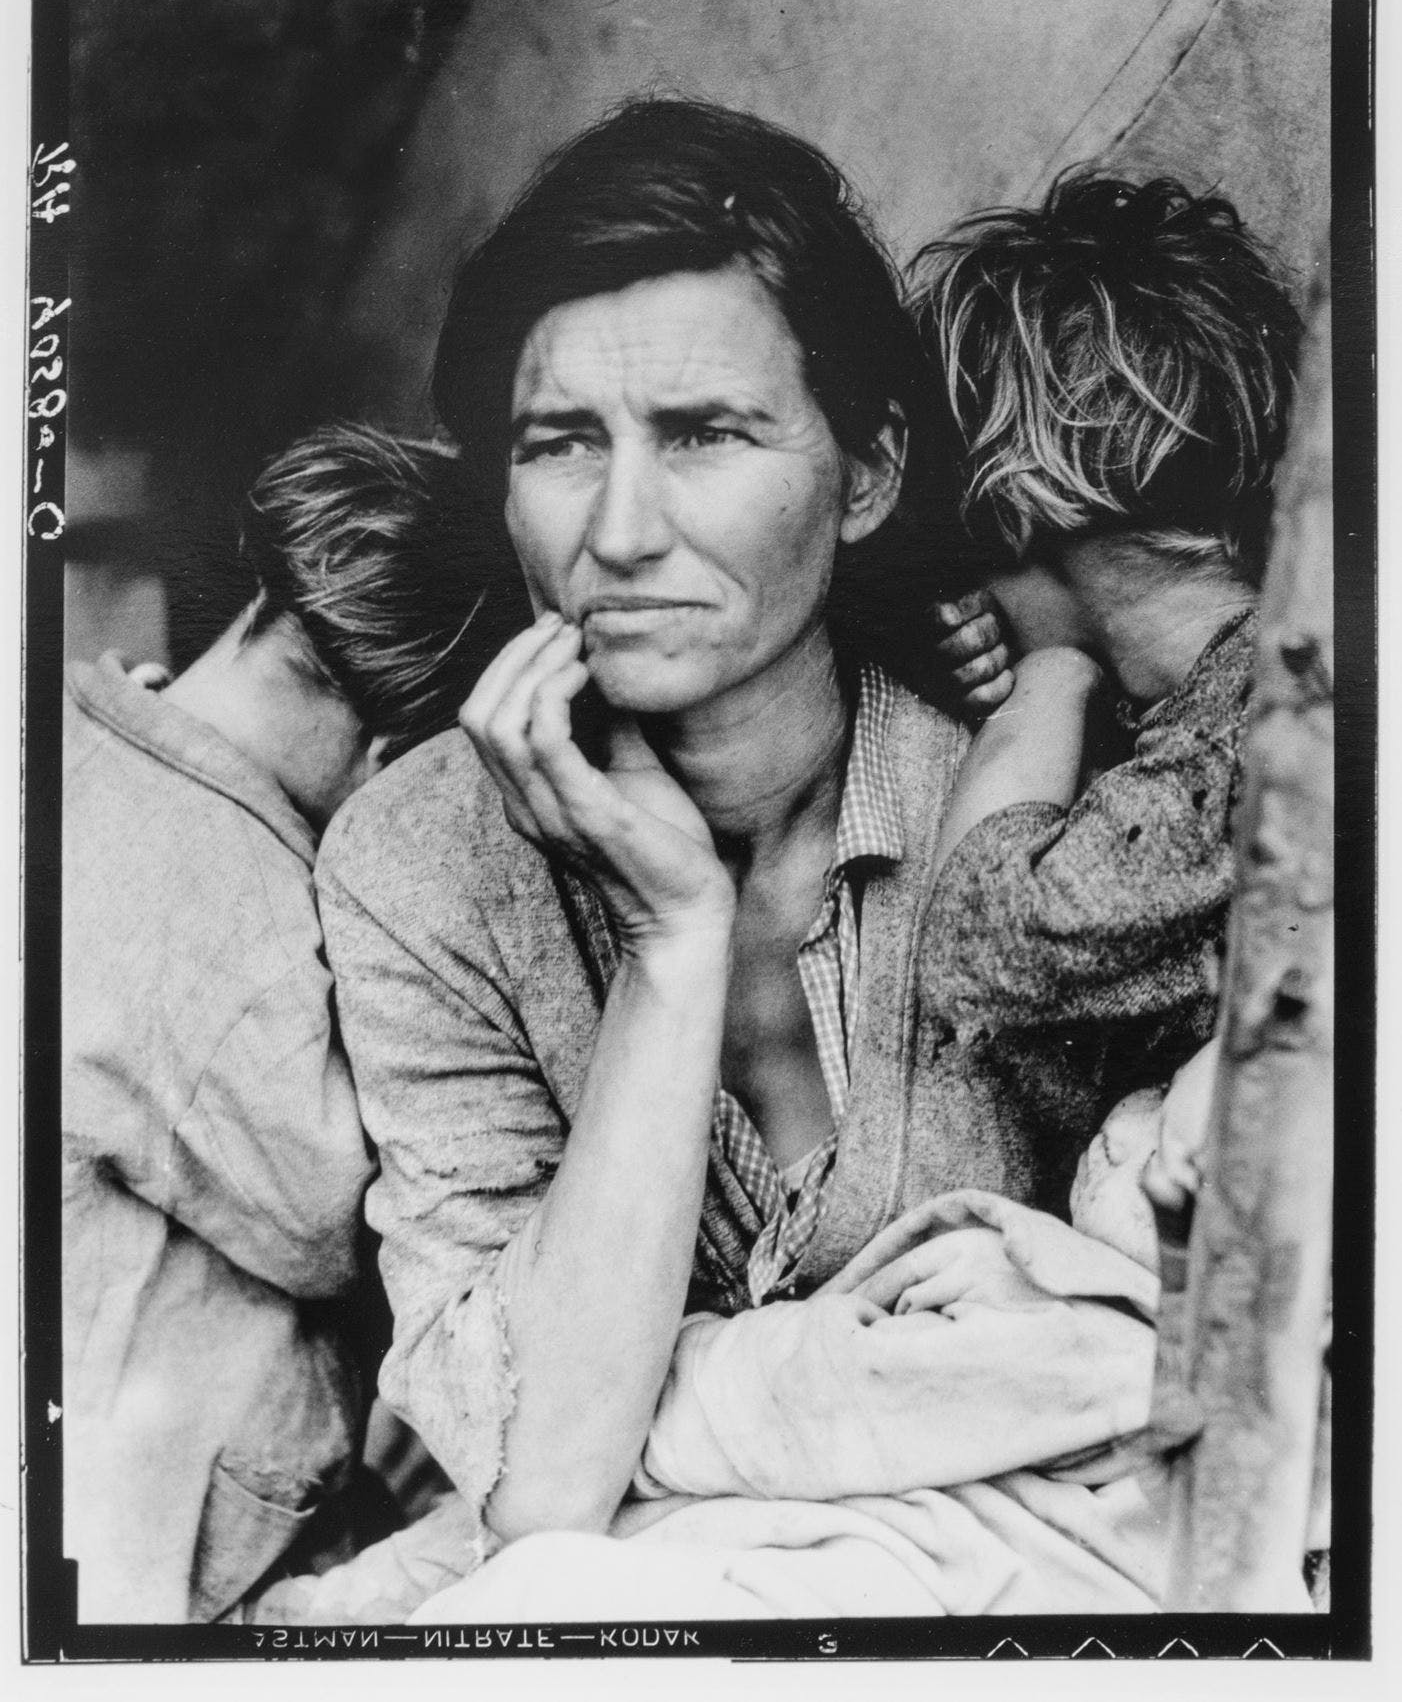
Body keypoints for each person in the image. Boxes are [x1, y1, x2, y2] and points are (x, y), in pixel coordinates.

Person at [313, 101, 1160, 1609]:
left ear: (867, 473)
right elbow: (544, 1477)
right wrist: (671, 940)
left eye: (704, 433)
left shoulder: (1029, 807)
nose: (620, 530)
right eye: (561, 442)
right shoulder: (420, 862)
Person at [62, 422, 499, 1622]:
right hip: (147, 1565)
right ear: (395, 758)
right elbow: (349, 1219)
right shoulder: (232, 919)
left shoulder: (77, 735)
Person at [907, 169, 1303, 1064]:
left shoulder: (1240, 739)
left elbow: (981, 948)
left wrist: (1048, 682)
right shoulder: (1250, 684)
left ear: (1013, 503)